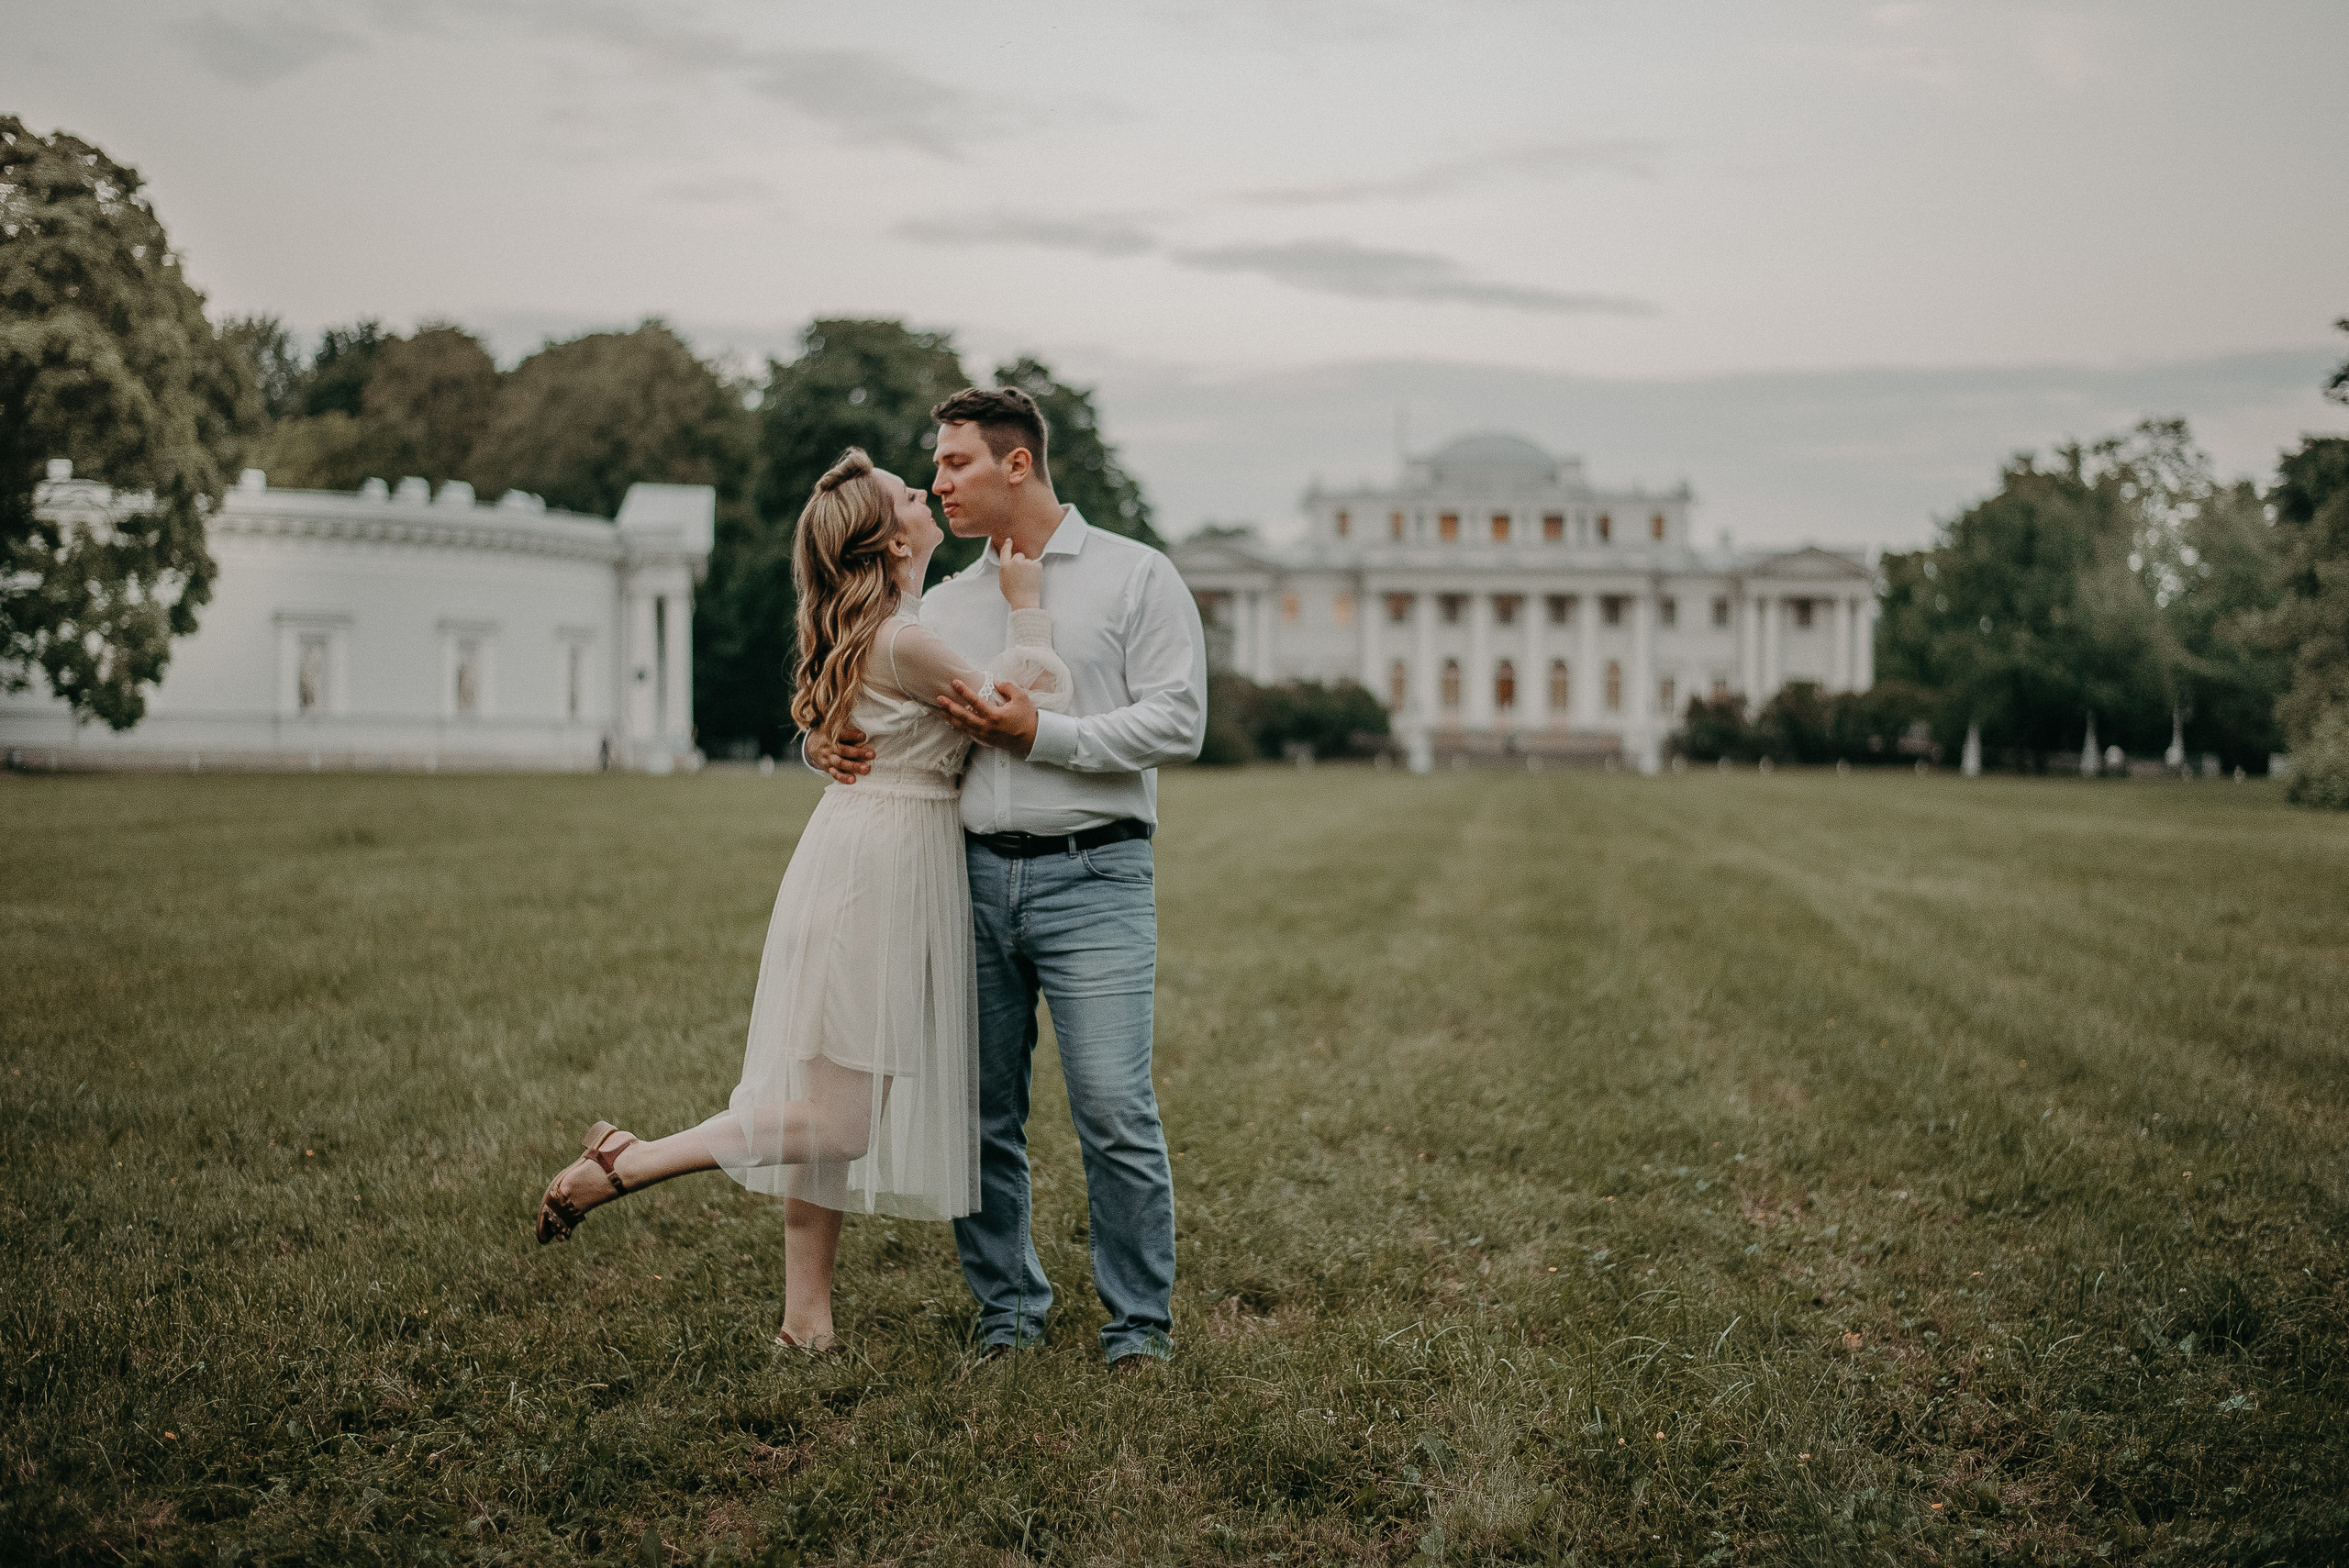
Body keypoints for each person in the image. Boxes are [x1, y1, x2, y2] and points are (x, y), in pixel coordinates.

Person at [532, 448, 1070, 1353]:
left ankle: (804, 1321)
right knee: (835, 1118)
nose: (924, 490)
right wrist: (1028, 608)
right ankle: (634, 1157)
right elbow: (1017, 712)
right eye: (907, 492)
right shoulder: (906, 639)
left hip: (862, 851)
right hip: (882, 869)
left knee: (827, 1110)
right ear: (892, 538)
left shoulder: (892, 629)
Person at [807, 386, 1208, 1370]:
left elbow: (1178, 721)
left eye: (953, 464)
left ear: (1015, 463)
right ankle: (1008, 1306)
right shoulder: (944, 601)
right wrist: (822, 742)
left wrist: (1047, 734)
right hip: (967, 878)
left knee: (1112, 1105)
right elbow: (874, 691)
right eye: (934, 468)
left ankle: (1138, 1326)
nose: (937, 482)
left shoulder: (1134, 575)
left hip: (1096, 873)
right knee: (982, 1110)